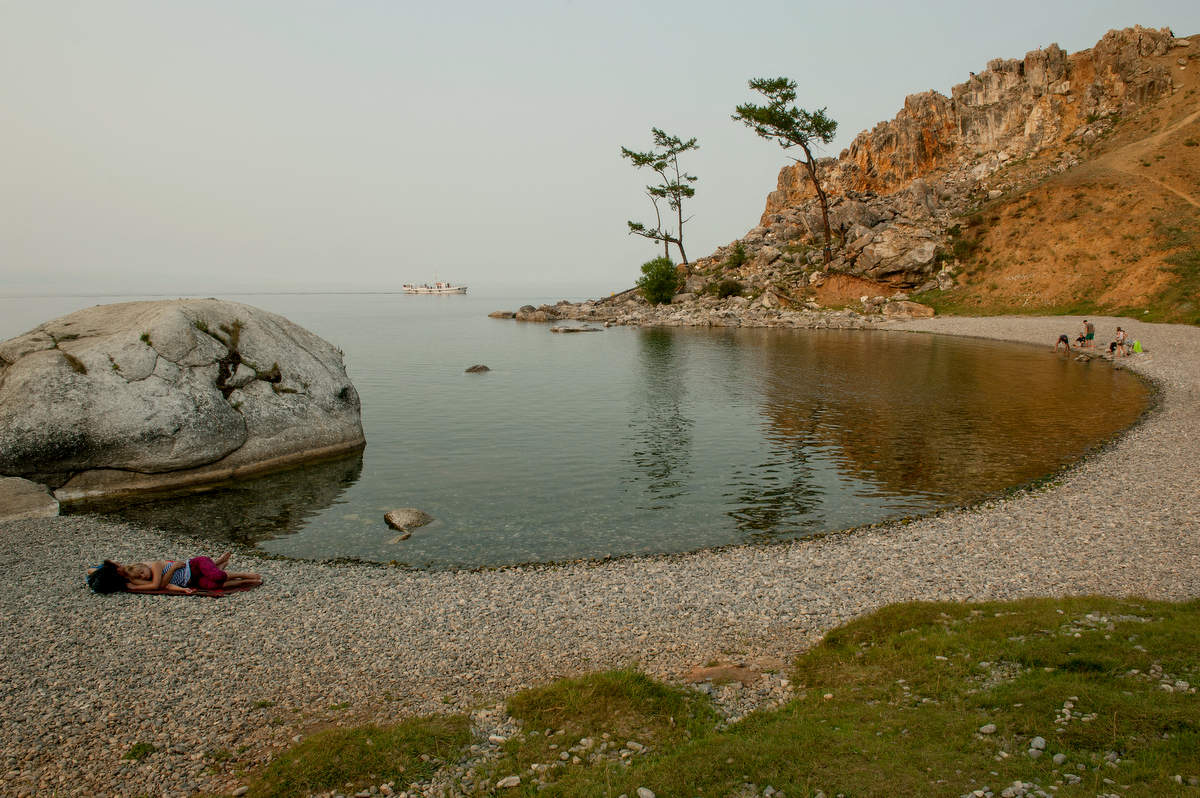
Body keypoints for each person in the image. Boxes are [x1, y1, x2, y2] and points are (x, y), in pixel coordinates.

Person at [87, 552, 261, 594]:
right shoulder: (131, 581)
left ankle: (246, 575)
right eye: (140, 574)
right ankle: (242, 582)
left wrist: (170, 570)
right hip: (191, 579)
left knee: (215, 575)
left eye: (142, 572)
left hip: (194, 566)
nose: (143, 575)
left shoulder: (153, 566)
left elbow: (157, 585)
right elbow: (160, 586)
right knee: (213, 585)